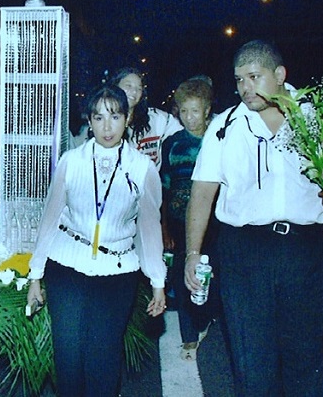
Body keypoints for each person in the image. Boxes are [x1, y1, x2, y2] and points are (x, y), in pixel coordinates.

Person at [185, 40, 323, 395]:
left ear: (280, 75)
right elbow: (202, 193)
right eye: (239, 80)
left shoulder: (321, 114)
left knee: (305, 359)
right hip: (245, 255)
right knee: (252, 364)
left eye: (254, 77)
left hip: (308, 253)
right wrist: (193, 254)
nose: (245, 88)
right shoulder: (225, 127)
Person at [27, 84, 166, 397]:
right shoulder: (70, 161)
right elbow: (50, 220)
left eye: (115, 117)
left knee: (103, 356)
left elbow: (148, 228)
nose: (107, 126)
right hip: (67, 267)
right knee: (69, 355)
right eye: (99, 117)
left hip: (117, 272)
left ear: (127, 119)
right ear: (89, 121)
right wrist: (36, 275)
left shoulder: (142, 168)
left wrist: (157, 280)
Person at [160, 78, 218, 361]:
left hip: (216, 222)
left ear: (207, 110)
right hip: (179, 220)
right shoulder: (172, 144)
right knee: (185, 276)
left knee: (214, 274)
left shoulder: (219, 140)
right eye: (184, 111)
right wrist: (164, 227)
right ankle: (189, 335)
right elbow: (165, 186)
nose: (189, 117)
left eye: (195, 111)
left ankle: (208, 316)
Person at [110, 67, 183, 169]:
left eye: (139, 88)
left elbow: (187, 129)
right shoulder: (101, 120)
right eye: (128, 85)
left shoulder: (156, 119)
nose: (134, 91)